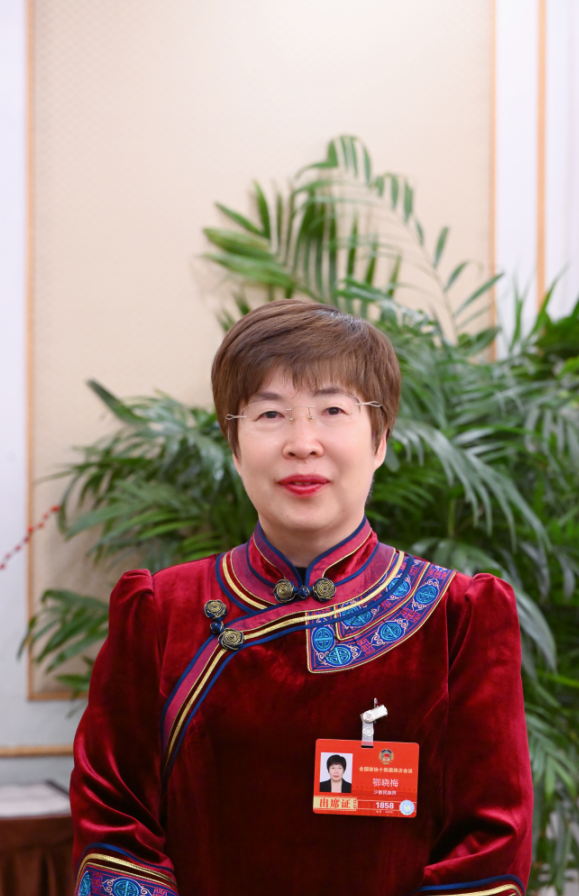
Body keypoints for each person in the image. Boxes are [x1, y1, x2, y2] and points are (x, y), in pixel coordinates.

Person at [70, 299, 533, 896]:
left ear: (380, 440)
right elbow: (114, 823)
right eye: (270, 414)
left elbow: (489, 846)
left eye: (333, 410)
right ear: (235, 445)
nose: (302, 442)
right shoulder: (160, 611)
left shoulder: (458, 616)